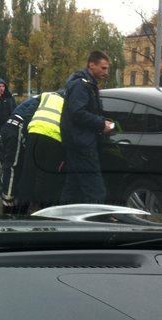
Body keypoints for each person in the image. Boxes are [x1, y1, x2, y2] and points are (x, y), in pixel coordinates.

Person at [59, 50, 114, 205]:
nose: (106, 72)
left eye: (107, 68)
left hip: (77, 143)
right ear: (92, 65)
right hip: (82, 145)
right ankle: (95, 225)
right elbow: (78, 113)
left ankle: (60, 222)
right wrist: (101, 124)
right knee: (95, 191)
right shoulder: (81, 86)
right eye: (103, 68)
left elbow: (83, 112)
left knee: (73, 189)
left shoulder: (86, 84)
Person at [17, 91, 66, 211]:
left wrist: (26, 137)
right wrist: (65, 155)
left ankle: (21, 209)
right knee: (48, 177)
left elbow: (28, 114)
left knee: (28, 173)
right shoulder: (69, 102)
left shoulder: (45, 96)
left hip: (35, 133)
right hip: (54, 139)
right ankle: (45, 210)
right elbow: (69, 128)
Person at [0, 95, 41, 214]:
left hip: (9, 125)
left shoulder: (37, 98)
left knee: (12, 164)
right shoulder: (42, 100)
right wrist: (25, 137)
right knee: (13, 165)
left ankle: (10, 196)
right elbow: (27, 116)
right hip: (17, 128)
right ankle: (8, 202)